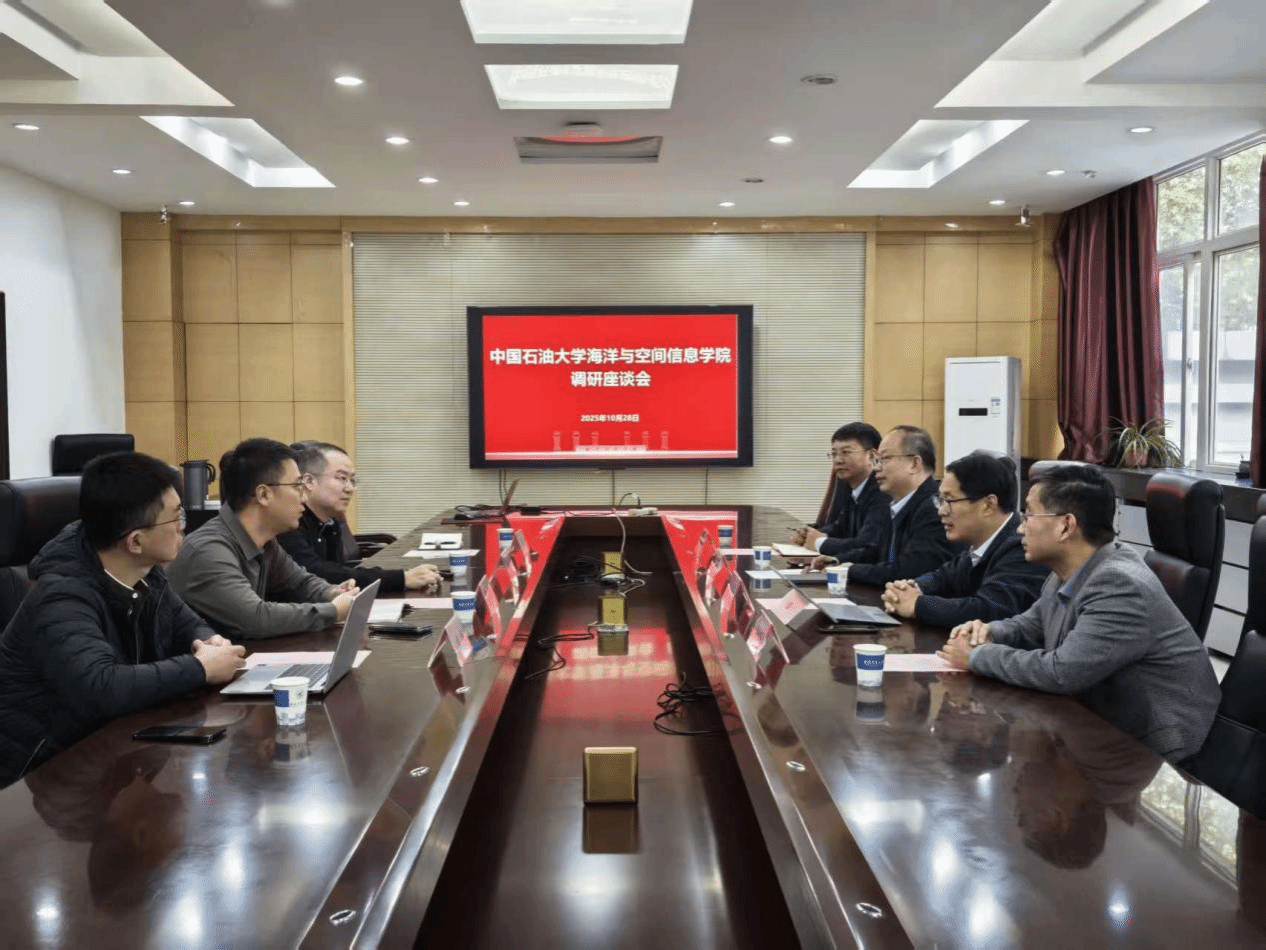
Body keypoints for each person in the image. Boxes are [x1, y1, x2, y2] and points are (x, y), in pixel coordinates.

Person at [938, 463, 1220, 764]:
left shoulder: (1118, 584)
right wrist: (987, 632)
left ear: (1065, 526)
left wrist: (977, 656)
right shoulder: (1070, 570)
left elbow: (1061, 673)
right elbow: (1031, 625)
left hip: (1159, 750)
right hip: (1105, 723)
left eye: (1029, 515)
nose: (1020, 527)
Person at [0, 451, 245, 787]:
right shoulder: (61, 597)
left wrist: (207, 641)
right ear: (135, 541)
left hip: (115, 750)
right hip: (42, 773)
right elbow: (102, 686)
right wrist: (200, 668)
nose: (182, 527)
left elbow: (185, 623)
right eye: (175, 517)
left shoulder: (145, 572)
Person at [168, 438, 358, 639]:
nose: (304, 497)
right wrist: (333, 611)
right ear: (264, 495)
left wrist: (332, 592)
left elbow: (300, 583)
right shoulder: (209, 550)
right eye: (297, 486)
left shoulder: (265, 541)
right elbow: (256, 619)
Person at [881, 451, 1048, 628]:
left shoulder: (1021, 546)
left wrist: (916, 604)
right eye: (940, 500)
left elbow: (988, 610)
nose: (941, 511)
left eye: (949, 501)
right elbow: (942, 577)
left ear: (988, 505)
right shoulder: (979, 545)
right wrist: (909, 588)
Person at [278, 441, 440, 594]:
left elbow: (337, 571)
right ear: (308, 481)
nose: (350, 489)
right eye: (342, 478)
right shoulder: (288, 521)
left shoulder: (330, 520)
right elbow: (316, 572)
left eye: (353, 480)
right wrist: (401, 579)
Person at [812, 425, 958, 585]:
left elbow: (908, 571)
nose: (876, 467)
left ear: (914, 464)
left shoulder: (935, 508)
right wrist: (838, 561)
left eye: (884, 459)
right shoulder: (898, 503)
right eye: (877, 460)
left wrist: (849, 570)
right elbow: (876, 551)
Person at [789, 422, 889, 562]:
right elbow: (840, 528)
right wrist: (810, 534)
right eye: (834, 453)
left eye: (846, 452)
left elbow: (867, 544)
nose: (837, 460)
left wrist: (819, 542)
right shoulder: (852, 487)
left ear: (872, 456)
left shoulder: (883, 492)